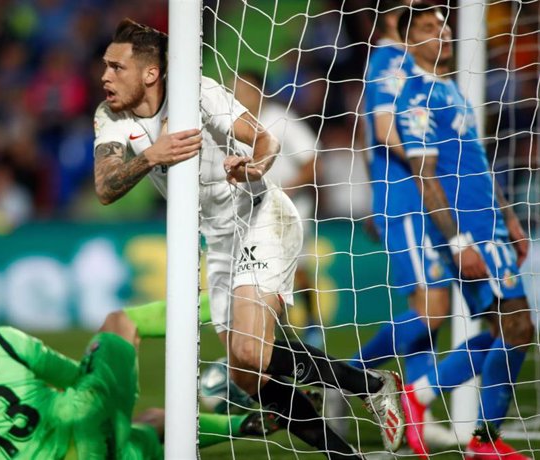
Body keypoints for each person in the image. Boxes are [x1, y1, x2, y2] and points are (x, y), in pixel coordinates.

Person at [93, 18, 405, 457]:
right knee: (246, 376)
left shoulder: (196, 93)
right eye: (105, 66)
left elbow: (264, 139)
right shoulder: (110, 117)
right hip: (217, 240)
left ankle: (370, 385)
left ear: (149, 73)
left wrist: (255, 164)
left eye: (115, 67)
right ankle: (345, 454)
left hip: (260, 215)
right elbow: (106, 187)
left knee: (249, 349)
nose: (104, 76)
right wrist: (151, 155)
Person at [394, 4, 533, 459]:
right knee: (517, 325)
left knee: (501, 329)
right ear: (410, 42)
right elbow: (425, 177)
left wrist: (510, 217)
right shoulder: (416, 97)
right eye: (430, 30)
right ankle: (479, 437)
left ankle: (423, 397)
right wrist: (457, 242)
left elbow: (477, 163)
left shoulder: (451, 91)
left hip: (491, 226)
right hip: (468, 233)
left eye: (445, 29)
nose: (443, 36)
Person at [0, 292, 274, 460]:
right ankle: (229, 305)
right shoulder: (2, 341)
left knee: (150, 425)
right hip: (83, 424)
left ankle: (242, 426)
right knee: (121, 322)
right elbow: (69, 374)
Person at [353, 0, 456, 448]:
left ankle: (418, 413)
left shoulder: (406, 62)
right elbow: (382, 126)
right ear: (399, 19)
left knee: (429, 310)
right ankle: (346, 376)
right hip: (408, 198)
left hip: (417, 200)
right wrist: (419, 166)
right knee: (434, 308)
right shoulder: (392, 59)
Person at [231, 69, 322, 348]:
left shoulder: (282, 121)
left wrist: (286, 191)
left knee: (297, 271)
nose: (237, 95)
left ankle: (312, 323)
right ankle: (279, 332)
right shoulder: (234, 126)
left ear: (259, 91)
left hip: (290, 209)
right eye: (233, 89)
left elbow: (313, 164)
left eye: (243, 89)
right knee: (261, 274)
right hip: (254, 213)